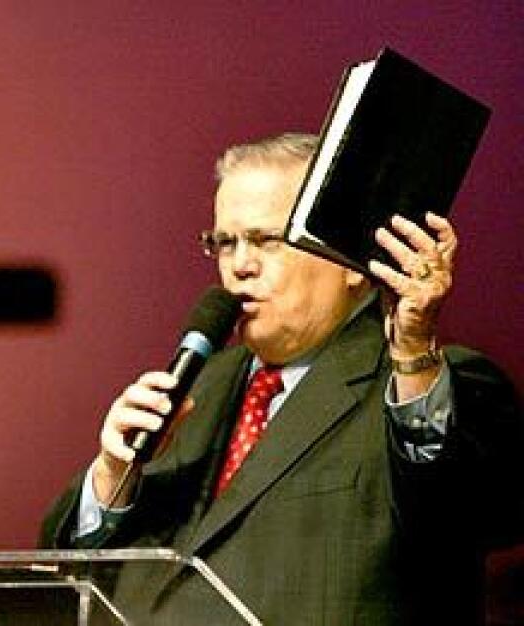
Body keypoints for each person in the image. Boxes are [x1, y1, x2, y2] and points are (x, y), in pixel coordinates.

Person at [40, 133, 524, 624]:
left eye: (267, 240)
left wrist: (415, 355)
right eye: (225, 243)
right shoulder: (197, 387)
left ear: (349, 260)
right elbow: (60, 574)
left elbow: (464, 510)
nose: (239, 266)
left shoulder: (432, 381)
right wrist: (111, 477)